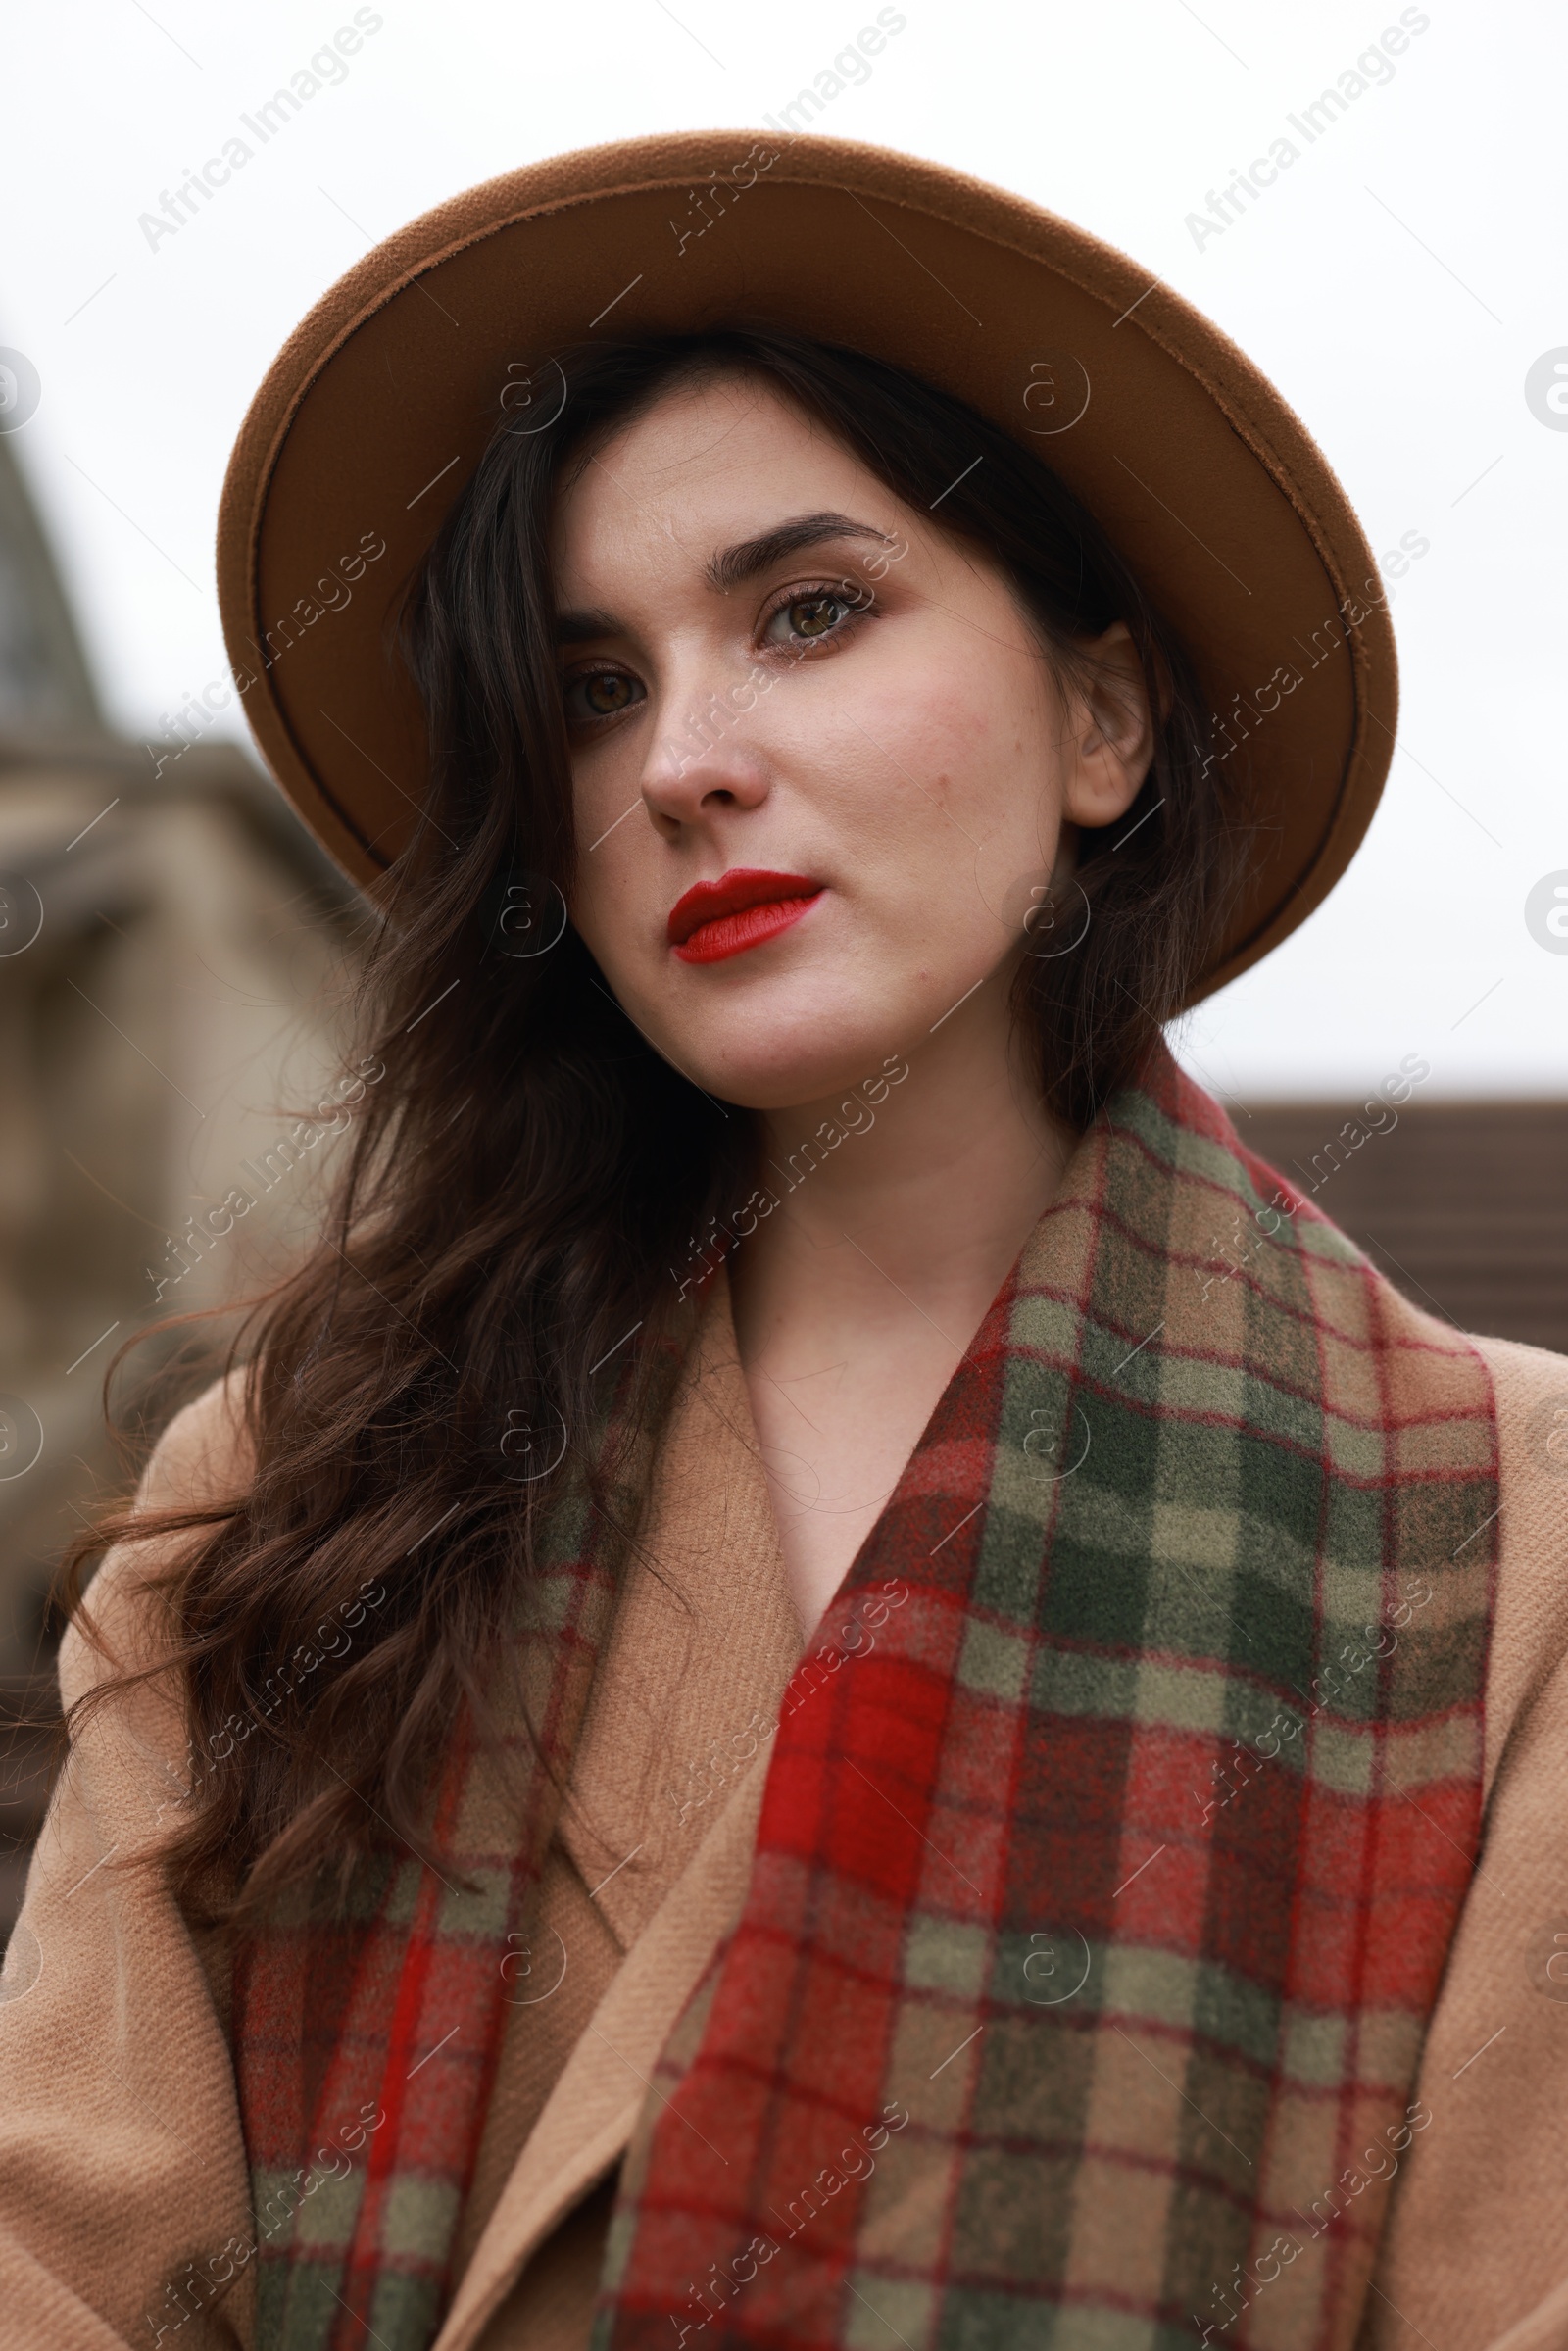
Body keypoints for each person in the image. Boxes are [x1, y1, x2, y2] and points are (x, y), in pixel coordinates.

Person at [2, 133, 1565, 2351]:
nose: (683, 767)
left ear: (1099, 718)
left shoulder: (1497, 1535)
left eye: (807, 613)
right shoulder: (298, 1482)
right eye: (593, 688)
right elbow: (60, 2265)